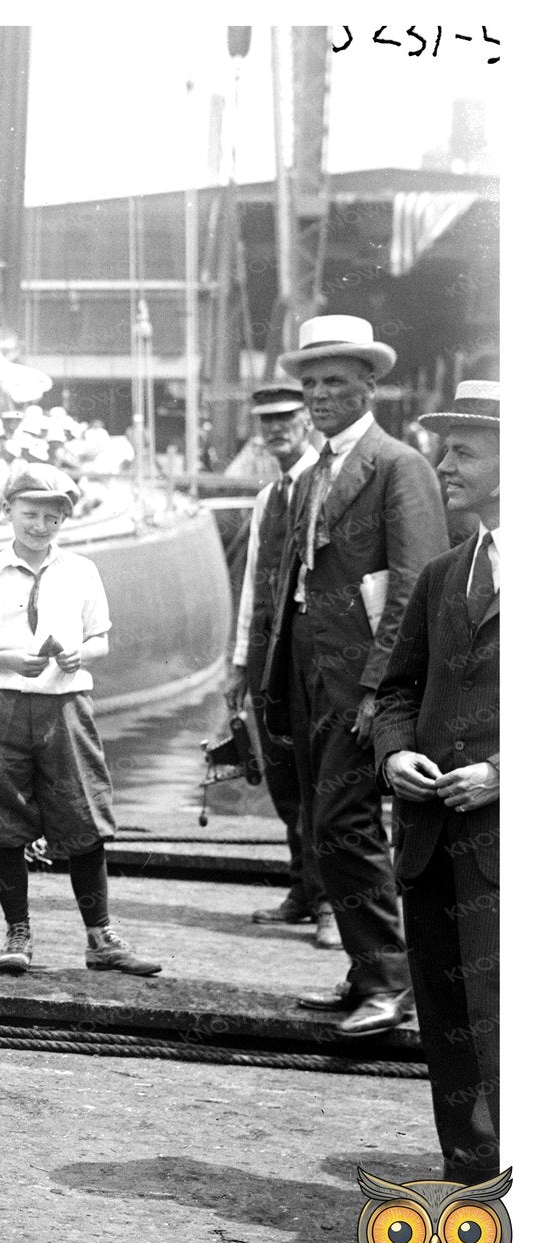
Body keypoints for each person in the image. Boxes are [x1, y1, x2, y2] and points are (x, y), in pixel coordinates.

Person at [261, 315, 447, 1038]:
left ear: (369, 386)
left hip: (361, 680)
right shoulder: (314, 473)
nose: (318, 395)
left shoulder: (398, 466)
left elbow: (416, 584)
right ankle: (366, 967)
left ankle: (391, 982)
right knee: (321, 822)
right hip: (308, 671)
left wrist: (381, 688)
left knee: (346, 822)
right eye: (310, 383)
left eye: (335, 382)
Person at [0, 463, 162, 980]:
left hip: (64, 707)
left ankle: (100, 937)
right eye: (30, 514)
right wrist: (8, 661)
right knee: (1, 822)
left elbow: (100, 639)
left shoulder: (81, 571)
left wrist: (80, 654)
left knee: (83, 817)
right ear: (8, 511)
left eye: (52, 518)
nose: (40, 526)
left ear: (64, 519)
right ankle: (17, 932)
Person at [373, 380, 501, 1182]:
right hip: (431, 846)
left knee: (509, 1023)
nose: (444, 466)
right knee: (450, 1026)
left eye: (463, 452)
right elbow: (397, 691)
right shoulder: (442, 574)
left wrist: (506, 773)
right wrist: (394, 756)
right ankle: (472, 1187)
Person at [226, 382, 333, 947]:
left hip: (315, 655)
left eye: (286, 419)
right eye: (266, 422)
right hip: (270, 657)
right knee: (286, 779)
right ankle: (302, 888)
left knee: (323, 782)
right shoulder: (269, 496)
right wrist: (240, 662)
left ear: (307, 421)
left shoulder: (327, 481)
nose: (276, 431)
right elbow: (252, 584)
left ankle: (331, 901)